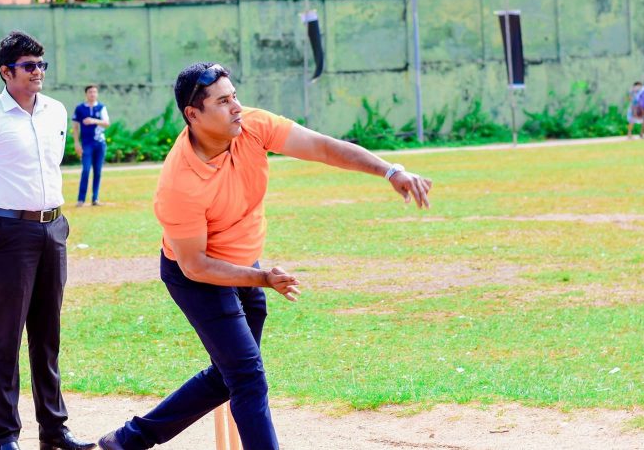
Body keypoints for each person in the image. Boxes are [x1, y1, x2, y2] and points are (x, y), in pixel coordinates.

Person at [97, 62, 432, 450]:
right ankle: (132, 438)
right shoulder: (179, 182)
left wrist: (390, 171)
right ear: (193, 114)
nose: (237, 106)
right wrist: (262, 279)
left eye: (234, 96)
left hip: (246, 265)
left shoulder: (252, 126)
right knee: (246, 377)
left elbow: (322, 147)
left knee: (231, 375)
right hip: (197, 277)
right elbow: (196, 265)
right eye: (223, 101)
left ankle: (129, 439)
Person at [0, 31, 95, 450]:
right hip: (9, 233)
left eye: (41, 65)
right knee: (8, 336)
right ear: (6, 71)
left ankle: (53, 430)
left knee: (47, 334)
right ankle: (6, 436)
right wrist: (0, 219)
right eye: (29, 66)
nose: (38, 72)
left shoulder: (56, 112)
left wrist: (48, 222)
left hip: (53, 228)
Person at [72, 84, 110, 207]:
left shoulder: (101, 107)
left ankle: (95, 198)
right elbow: (75, 127)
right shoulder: (80, 108)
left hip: (100, 143)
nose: (92, 94)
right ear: (86, 94)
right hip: (86, 144)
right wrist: (76, 143)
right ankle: (81, 199)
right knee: (86, 170)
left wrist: (93, 120)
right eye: (90, 92)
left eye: (94, 92)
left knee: (98, 171)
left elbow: (107, 123)